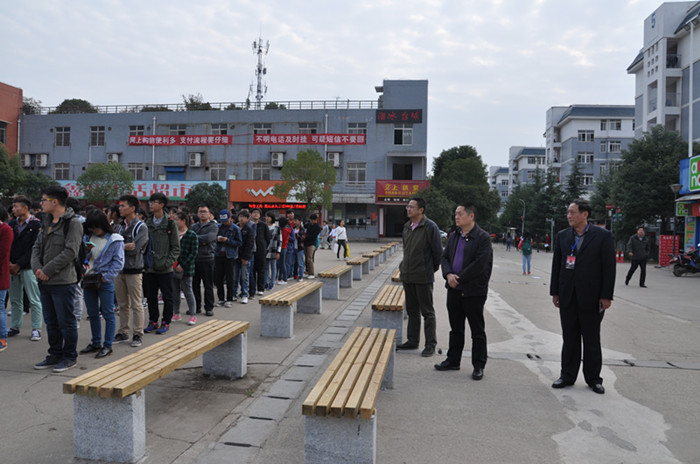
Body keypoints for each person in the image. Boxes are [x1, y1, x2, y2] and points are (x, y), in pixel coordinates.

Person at [550, 199, 616, 395]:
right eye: (568, 212)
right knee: (569, 338)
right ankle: (567, 375)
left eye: (572, 212)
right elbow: (557, 265)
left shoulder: (602, 236)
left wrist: (606, 296)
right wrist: (555, 292)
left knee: (591, 339)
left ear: (585, 214)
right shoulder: (563, 235)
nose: (569, 216)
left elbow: (609, 268)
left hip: (592, 297)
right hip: (568, 295)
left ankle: (594, 379)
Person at [435, 203, 493, 379]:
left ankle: (478, 365)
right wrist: (448, 275)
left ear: (471, 216)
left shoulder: (482, 238)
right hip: (453, 290)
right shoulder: (454, 235)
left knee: (477, 330)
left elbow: (479, 265)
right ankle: (453, 360)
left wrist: (458, 278)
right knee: (456, 329)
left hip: (473, 292)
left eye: (460, 214)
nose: (456, 217)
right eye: (456, 214)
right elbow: (444, 257)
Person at [31, 185, 83, 373]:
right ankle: (54, 354)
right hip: (44, 280)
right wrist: (37, 268)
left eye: (43, 200)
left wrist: (47, 270)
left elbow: (70, 252)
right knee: (51, 321)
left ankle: (69, 356)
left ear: (54, 202)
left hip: (63, 281)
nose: (41, 203)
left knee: (66, 322)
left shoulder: (72, 223)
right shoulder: (45, 221)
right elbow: (36, 247)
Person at [397, 198, 443, 357]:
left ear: (421, 210)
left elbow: (438, 253)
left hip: (423, 276)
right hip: (408, 275)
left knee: (427, 312)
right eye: (407, 206)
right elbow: (406, 250)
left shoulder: (430, 227)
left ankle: (430, 344)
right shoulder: (407, 227)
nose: (408, 209)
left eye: (411, 207)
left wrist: (429, 269)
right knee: (412, 311)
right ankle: (412, 340)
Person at [79, 210, 124, 359]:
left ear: (103, 225)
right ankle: (96, 343)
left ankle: (108, 345)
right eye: (91, 227)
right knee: (92, 314)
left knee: (108, 313)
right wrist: (85, 252)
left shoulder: (114, 239)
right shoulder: (88, 237)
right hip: (89, 278)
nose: (94, 230)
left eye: (96, 227)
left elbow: (118, 262)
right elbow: (83, 258)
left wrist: (106, 277)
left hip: (104, 280)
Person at [113, 195, 149, 347]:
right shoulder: (119, 226)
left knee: (136, 303)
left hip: (134, 269)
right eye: (120, 206)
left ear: (133, 208)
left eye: (123, 206)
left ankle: (138, 333)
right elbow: (112, 247)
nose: (120, 208)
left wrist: (119, 246)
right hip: (119, 269)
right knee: (122, 303)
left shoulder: (141, 227)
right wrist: (123, 246)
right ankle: (123, 331)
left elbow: (135, 249)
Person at [7, 195, 43, 341]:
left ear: (25, 208)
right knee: (15, 299)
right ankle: (15, 326)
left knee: (34, 299)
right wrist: (10, 264)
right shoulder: (12, 225)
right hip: (12, 267)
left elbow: (35, 249)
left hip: (28, 267)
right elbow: (7, 245)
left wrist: (19, 264)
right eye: (13, 206)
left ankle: (36, 328)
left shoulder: (36, 225)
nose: (13, 209)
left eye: (16, 206)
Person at [143, 192, 180, 334]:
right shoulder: (147, 223)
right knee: (151, 296)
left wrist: (168, 262)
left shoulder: (170, 223)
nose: (151, 204)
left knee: (167, 297)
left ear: (162, 205)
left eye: (154, 202)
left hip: (165, 268)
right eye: (150, 202)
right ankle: (153, 321)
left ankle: (166, 322)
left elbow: (176, 247)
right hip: (150, 267)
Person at [190, 204, 218, 317]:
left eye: (205, 211)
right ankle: (196, 307)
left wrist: (195, 239)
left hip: (207, 259)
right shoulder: (194, 226)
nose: (202, 213)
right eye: (200, 211)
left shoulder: (213, 226)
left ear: (209, 214)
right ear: (197, 214)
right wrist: (202, 240)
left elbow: (209, 238)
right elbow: (189, 238)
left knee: (208, 285)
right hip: (194, 259)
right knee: (194, 285)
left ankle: (209, 308)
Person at [173, 211, 198, 325]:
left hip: (186, 268)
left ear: (183, 221)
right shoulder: (173, 234)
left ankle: (193, 315)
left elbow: (193, 253)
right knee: (175, 292)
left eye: (177, 219)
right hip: (173, 266)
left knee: (188, 291)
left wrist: (182, 265)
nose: (175, 222)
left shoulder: (191, 235)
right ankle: (176, 313)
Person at [214, 209, 242, 306]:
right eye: (222, 221)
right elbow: (212, 239)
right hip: (218, 255)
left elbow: (239, 242)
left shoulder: (235, 228)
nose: (224, 223)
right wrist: (217, 239)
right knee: (219, 278)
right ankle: (221, 298)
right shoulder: (217, 227)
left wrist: (227, 240)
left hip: (230, 256)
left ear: (230, 218)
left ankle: (229, 298)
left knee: (230, 278)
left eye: (226, 221)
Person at [234, 210, 255, 304]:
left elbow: (250, 245)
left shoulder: (249, 229)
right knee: (234, 276)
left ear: (247, 218)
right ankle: (234, 294)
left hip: (245, 256)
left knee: (244, 277)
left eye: (243, 217)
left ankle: (245, 294)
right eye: (240, 216)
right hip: (235, 255)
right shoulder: (235, 227)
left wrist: (246, 257)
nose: (241, 219)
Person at [0, 206, 12, 352]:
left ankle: (2, 338)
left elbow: (3, 253)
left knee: (0, 306)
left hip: (1, 274)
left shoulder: (5, 230)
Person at [251, 208, 271, 295]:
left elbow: (268, 238)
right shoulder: (249, 224)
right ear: (251, 214)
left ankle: (260, 288)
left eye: (257, 213)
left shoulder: (263, 225)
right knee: (251, 271)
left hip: (261, 250)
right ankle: (252, 289)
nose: (256, 214)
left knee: (261, 270)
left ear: (260, 215)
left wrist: (264, 246)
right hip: (251, 250)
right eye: (254, 212)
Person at [265, 212, 281, 290]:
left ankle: (272, 283)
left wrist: (278, 251)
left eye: (268, 217)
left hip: (273, 250)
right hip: (265, 250)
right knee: (265, 267)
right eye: (266, 217)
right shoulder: (264, 227)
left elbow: (280, 241)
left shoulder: (277, 228)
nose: (267, 218)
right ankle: (266, 282)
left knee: (273, 267)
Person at [304, 213, 321, 278]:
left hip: (312, 244)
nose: (311, 221)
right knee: (306, 258)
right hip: (306, 243)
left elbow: (314, 236)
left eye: (312, 220)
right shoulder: (309, 224)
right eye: (310, 220)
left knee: (309, 258)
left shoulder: (318, 227)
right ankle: (307, 271)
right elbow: (305, 226)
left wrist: (306, 237)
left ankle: (311, 273)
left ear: (315, 220)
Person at [277, 217, 291, 285]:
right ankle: (280, 278)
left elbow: (282, 238)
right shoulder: (286, 228)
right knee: (281, 263)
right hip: (283, 247)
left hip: (283, 247)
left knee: (282, 263)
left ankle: (284, 279)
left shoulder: (285, 230)